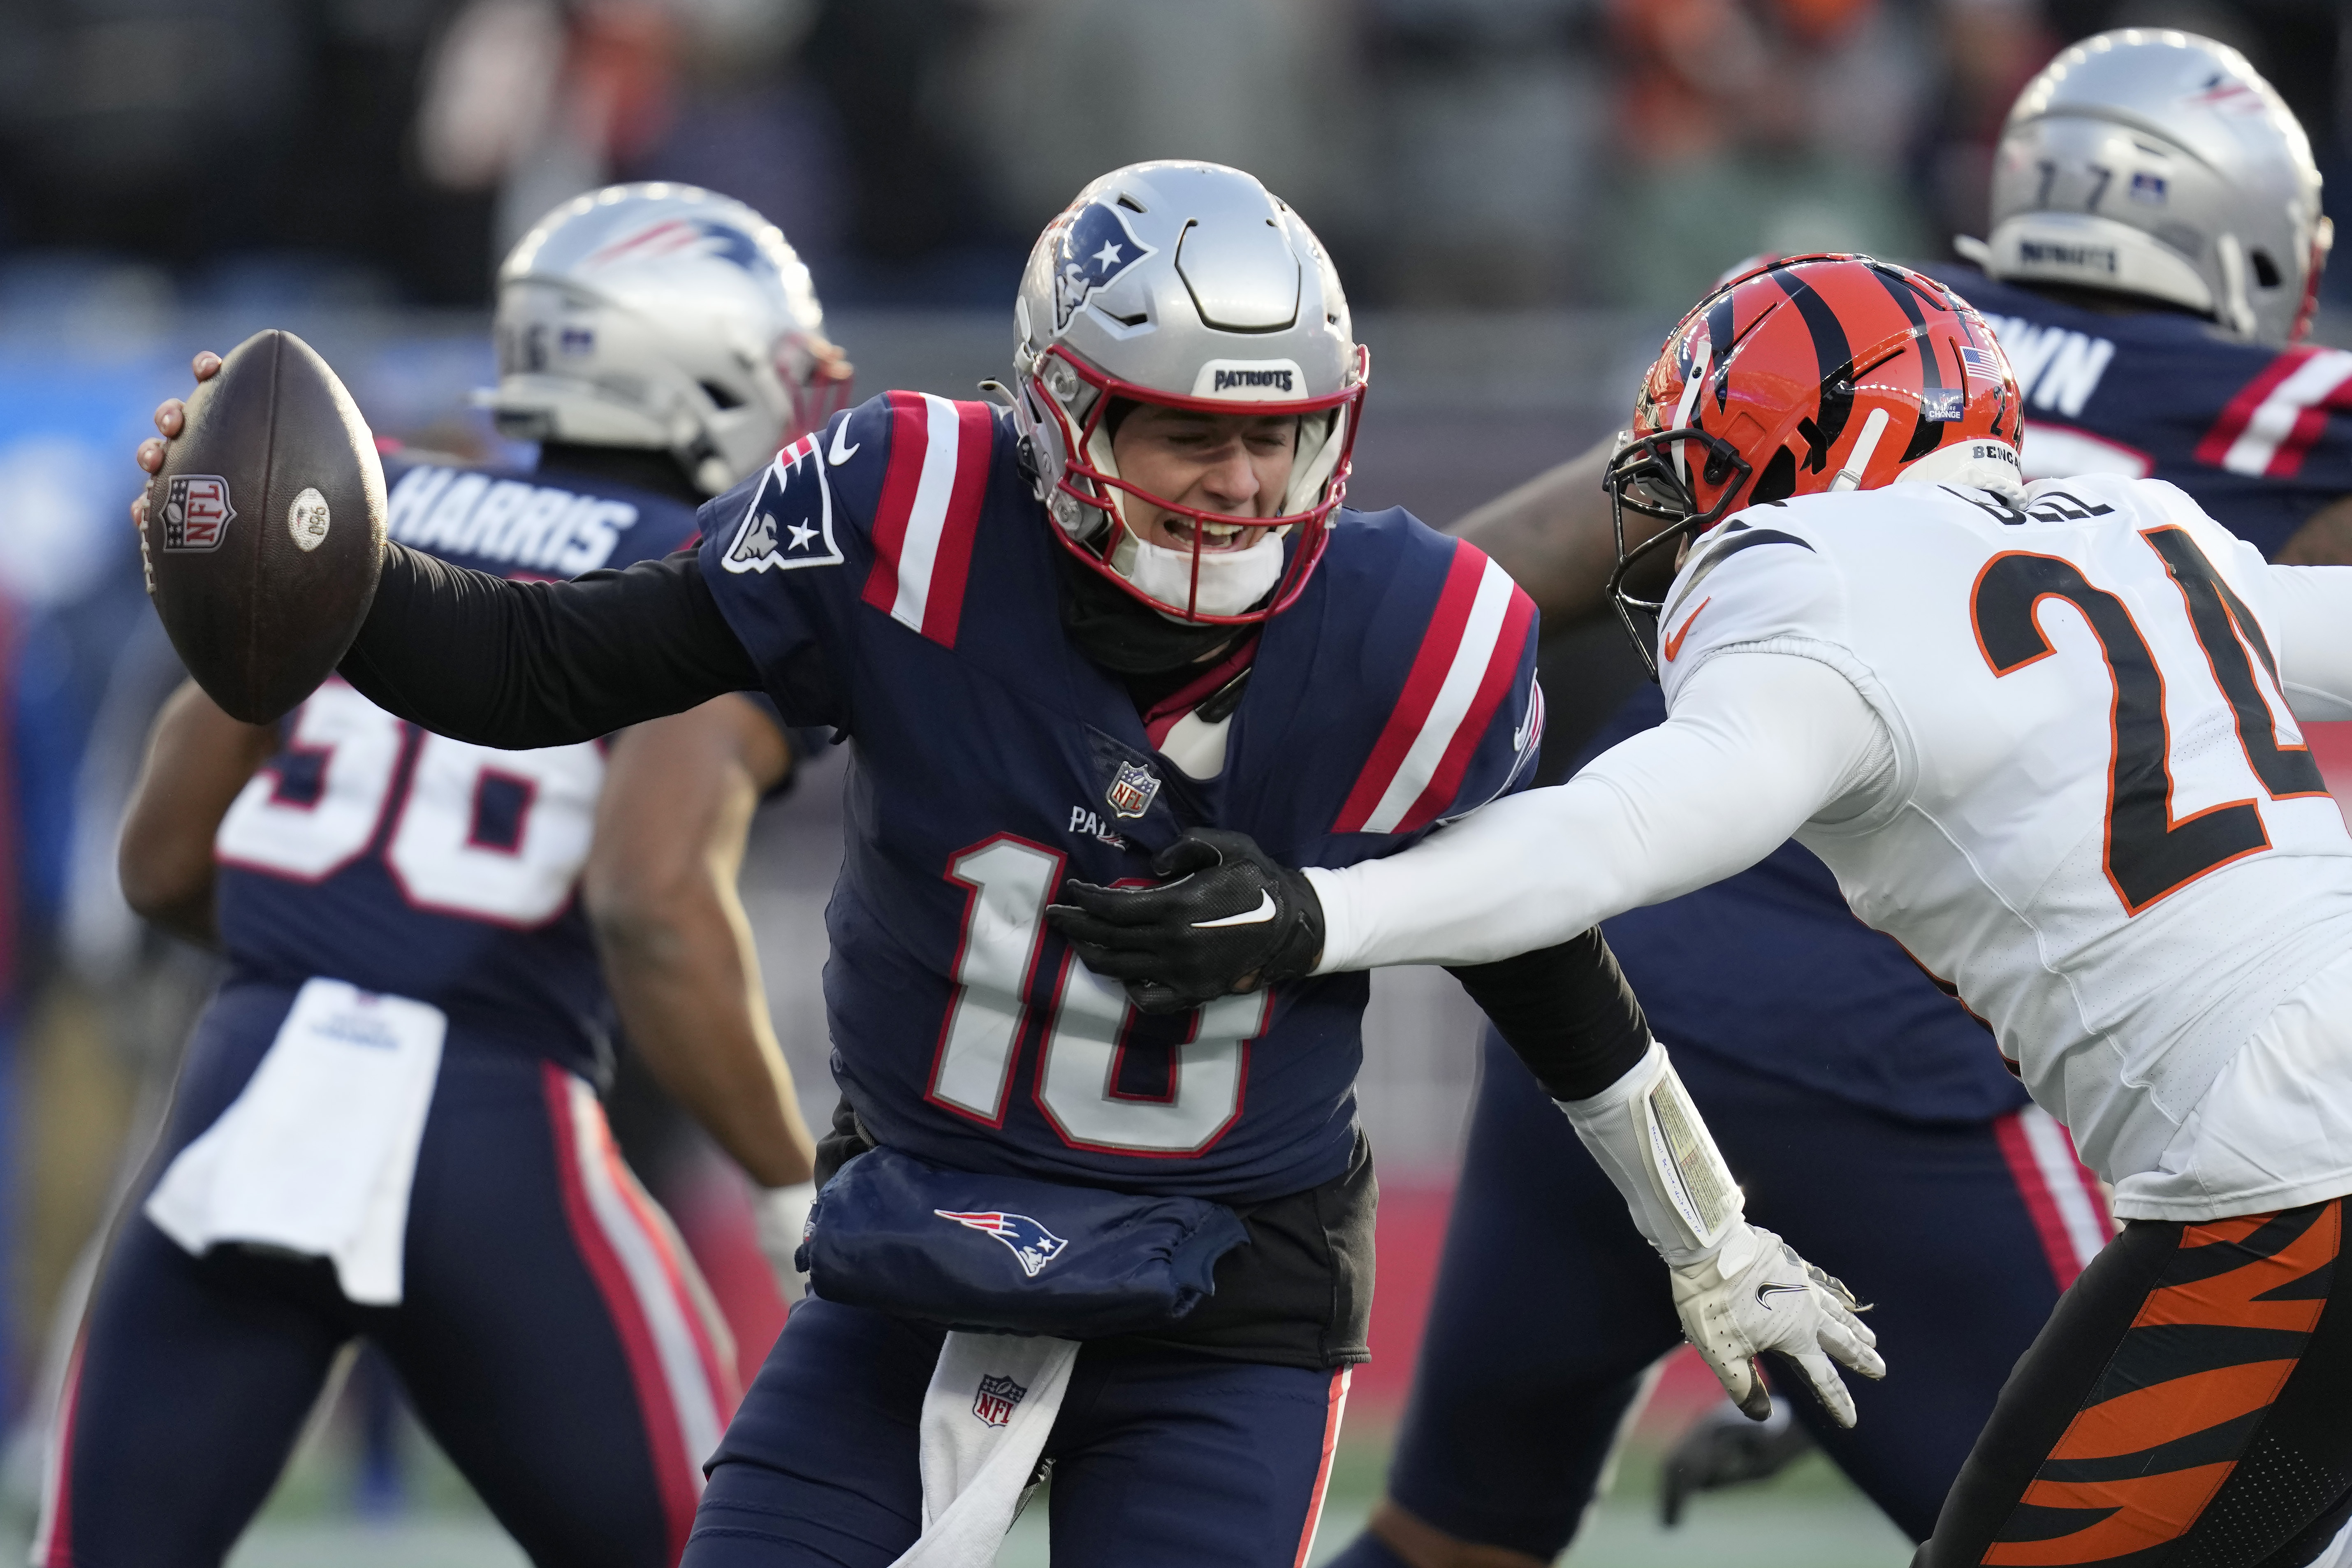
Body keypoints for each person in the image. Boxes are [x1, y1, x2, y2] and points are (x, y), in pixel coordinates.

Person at [127, 160, 1874, 1568]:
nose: (1241, 481)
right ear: (1056, 416)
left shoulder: (1410, 630)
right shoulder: (899, 506)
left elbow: (1532, 947)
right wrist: (309, 561)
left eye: (1278, 434)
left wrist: (1704, 1233)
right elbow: (540, 669)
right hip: (915, 1248)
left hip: (1226, 1293)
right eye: (1188, 430)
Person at [1053, 238, 2352, 1563]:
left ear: (1812, 454)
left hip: (2286, 1163)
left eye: (1707, 466)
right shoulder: (2150, 525)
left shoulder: (1826, 568)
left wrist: (1324, 913)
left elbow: (1610, 837)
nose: (1680, 515)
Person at [42, 183, 844, 1568]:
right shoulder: (717, 568)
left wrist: (334, 952)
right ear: (698, 364)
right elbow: (653, 902)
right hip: (496, 1119)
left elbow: (162, 855)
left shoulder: (374, 494)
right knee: (741, 1552)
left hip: (249, 1081)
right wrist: (798, 1188)